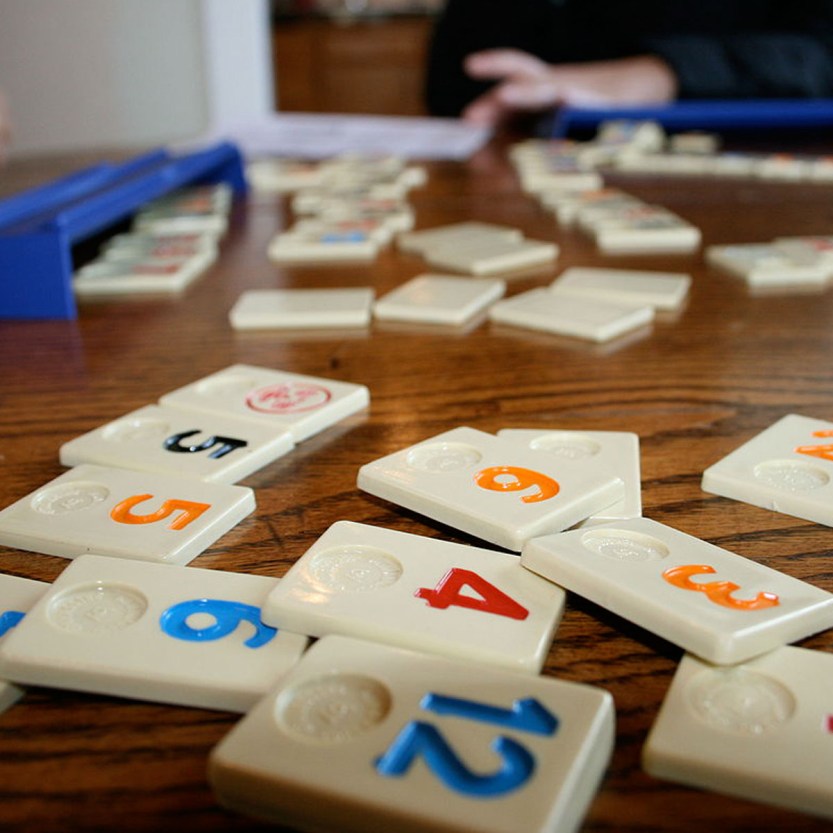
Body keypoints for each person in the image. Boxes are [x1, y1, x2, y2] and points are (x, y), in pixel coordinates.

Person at [425, 0, 833, 127]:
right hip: (536, 165)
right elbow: (453, 82)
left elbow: (820, 53)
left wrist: (663, 74)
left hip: (747, 168)